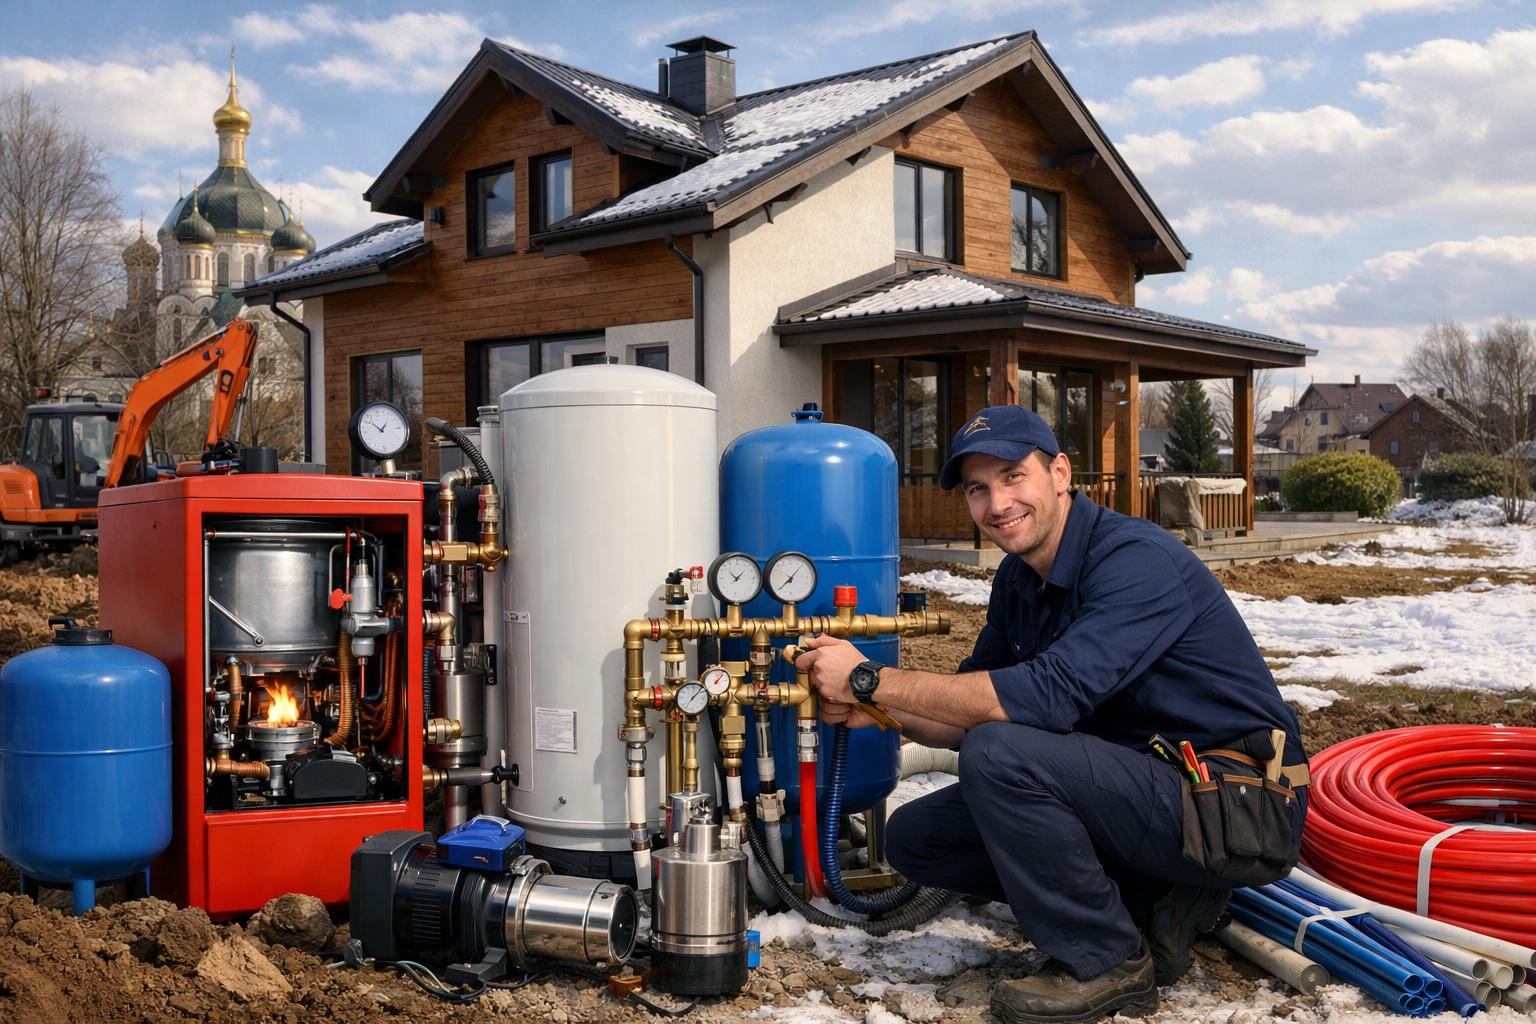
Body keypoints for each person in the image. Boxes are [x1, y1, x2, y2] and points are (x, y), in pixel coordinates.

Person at [797, 405, 1308, 1024]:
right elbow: (964, 712)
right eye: (978, 489)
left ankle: (1109, 961)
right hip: (1145, 787)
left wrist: (869, 675)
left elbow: (1040, 700)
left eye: (1013, 477)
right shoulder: (1019, 580)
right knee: (917, 839)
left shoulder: (1135, 560)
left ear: (1060, 473)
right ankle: (1154, 899)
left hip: (1236, 803)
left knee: (1001, 752)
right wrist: (875, 707)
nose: (997, 503)